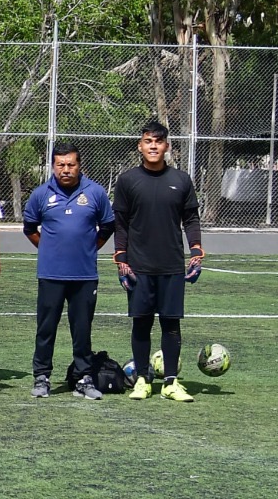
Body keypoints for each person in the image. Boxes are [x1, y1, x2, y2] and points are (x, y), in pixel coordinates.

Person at [114, 120, 203, 402]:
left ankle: (171, 382)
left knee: (171, 324)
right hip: (139, 266)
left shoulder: (181, 180)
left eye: (158, 142)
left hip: (171, 266)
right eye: (148, 141)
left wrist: (196, 251)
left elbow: (190, 218)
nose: (153, 146)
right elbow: (121, 224)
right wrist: (121, 260)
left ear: (166, 146)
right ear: (140, 146)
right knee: (141, 323)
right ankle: (142, 379)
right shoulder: (128, 180)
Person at [23, 142, 115, 399]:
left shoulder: (95, 193)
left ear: (79, 165)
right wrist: (49, 249)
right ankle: (42, 376)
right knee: (46, 327)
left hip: (84, 275)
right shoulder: (41, 195)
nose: (66, 170)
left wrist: (89, 248)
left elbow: (107, 227)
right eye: (61, 165)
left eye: (71, 165)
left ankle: (84, 377)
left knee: (82, 329)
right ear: (53, 167)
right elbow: (30, 228)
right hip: (51, 274)